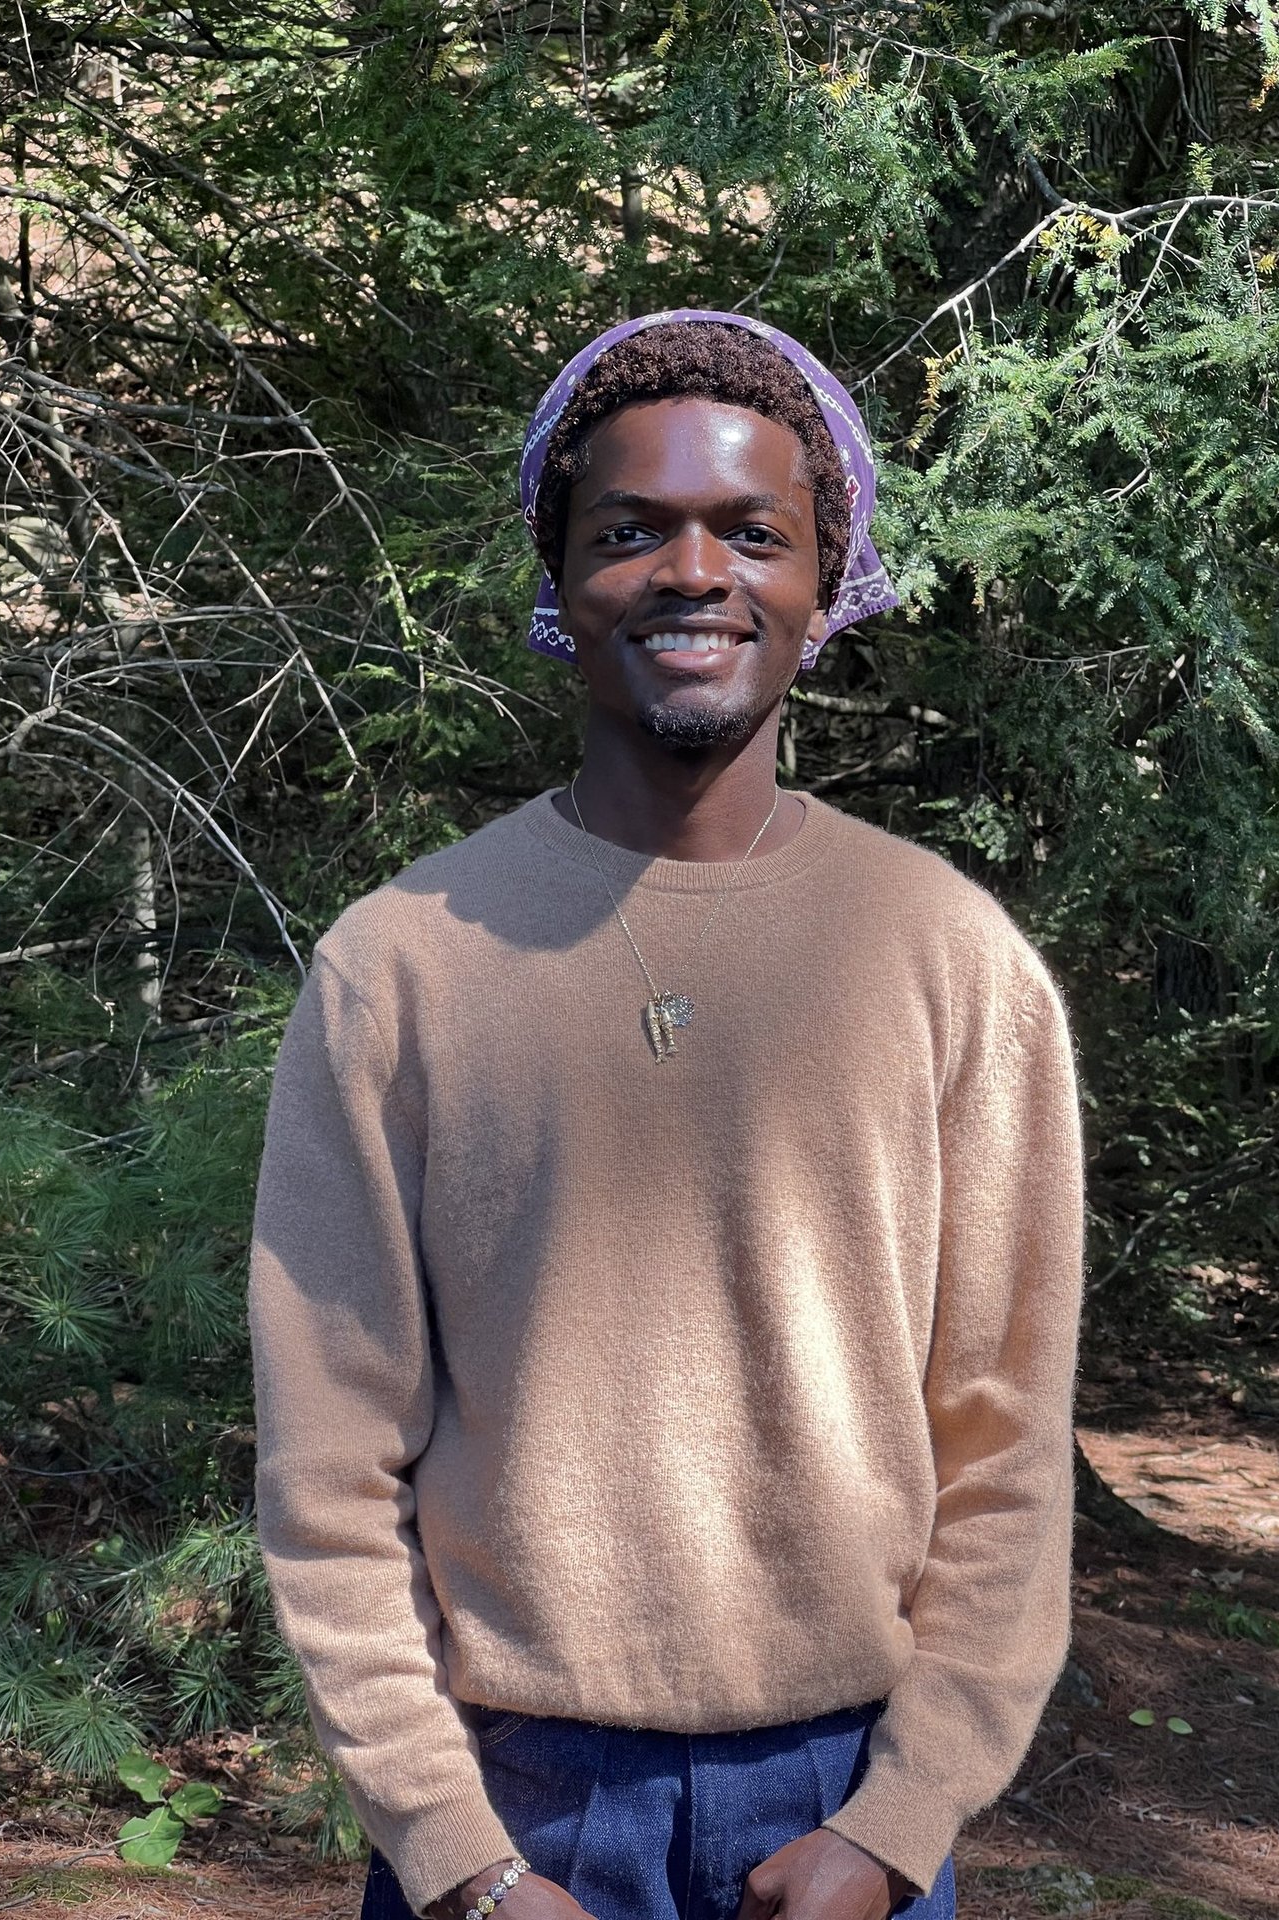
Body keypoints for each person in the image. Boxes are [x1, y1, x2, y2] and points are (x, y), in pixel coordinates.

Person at [249, 310, 1085, 1920]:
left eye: (751, 533)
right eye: (630, 531)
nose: (693, 572)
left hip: (849, 1801)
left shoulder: (951, 958)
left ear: (823, 584)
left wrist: (903, 1819)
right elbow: (330, 1467)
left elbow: (1005, 1444)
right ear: (562, 585)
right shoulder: (400, 968)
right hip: (513, 1810)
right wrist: (455, 1853)